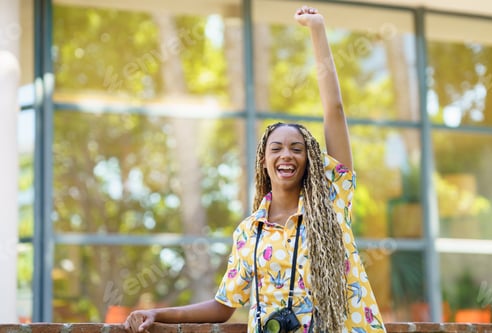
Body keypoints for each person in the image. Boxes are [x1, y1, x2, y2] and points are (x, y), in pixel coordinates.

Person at [124, 5, 385, 333]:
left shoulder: (332, 201)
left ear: (310, 161)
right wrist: (158, 314)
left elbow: (334, 110)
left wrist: (317, 31)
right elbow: (223, 306)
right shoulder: (250, 232)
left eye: (297, 148)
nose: (286, 155)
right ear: (264, 160)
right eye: (276, 148)